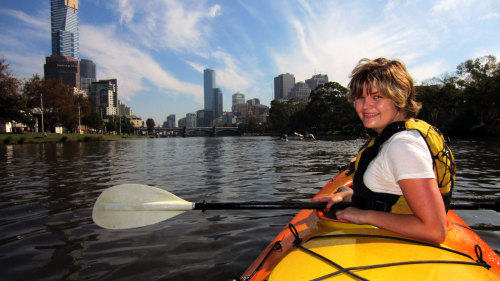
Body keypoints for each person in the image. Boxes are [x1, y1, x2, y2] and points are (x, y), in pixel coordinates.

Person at [312, 58, 448, 244]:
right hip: (387, 236)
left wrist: (365, 216)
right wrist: (345, 196)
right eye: (360, 97)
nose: (365, 105)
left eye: (377, 97)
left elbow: (435, 230)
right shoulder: (395, 139)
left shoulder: (403, 146)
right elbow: (390, 196)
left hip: (397, 250)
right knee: (344, 188)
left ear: (399, 98)